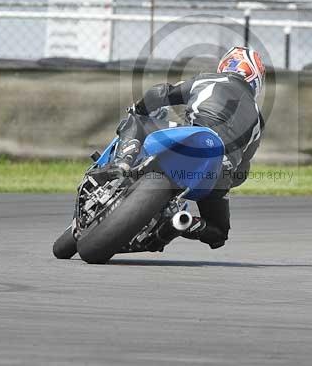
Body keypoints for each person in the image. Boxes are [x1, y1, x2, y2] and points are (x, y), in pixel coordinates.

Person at [91, 46, 266, 250]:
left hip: (195, 137)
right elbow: (243, 170)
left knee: (139, 120)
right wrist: (226, 182)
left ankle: (121, 165)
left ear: (225, 65)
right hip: (219, 172)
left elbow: (161, 93)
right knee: (218, 233)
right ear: (256, 79)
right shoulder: (258, 120)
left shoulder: (208, 79)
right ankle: (182, 224)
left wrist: (140, 107)